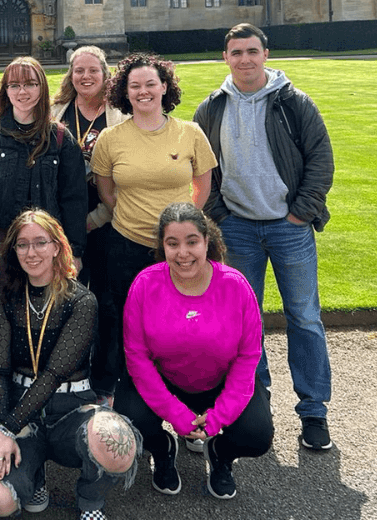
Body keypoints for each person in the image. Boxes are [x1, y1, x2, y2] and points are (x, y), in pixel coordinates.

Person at [192, 23, 336, 451]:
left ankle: (314, 411)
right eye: (237, 53)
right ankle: (256, 406)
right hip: (237, 228)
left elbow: (321, 161)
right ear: (226, 58)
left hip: (287, 228)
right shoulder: (211, 108)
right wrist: (220, 214)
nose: (245, 60)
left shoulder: (295, 103)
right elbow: (204, 172)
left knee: (304, 318)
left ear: (266, 54)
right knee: (244, 325)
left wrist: (299, 214)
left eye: (252, 51)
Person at [0, 210, 139, 520]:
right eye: (22, 244)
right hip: (21, 408)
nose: (31, 252)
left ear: (56, 246)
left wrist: (6, 429)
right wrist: (2, 427)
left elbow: (54, 373)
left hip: (71, 407)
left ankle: (91, 500)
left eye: (40, 242)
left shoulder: (81, 300)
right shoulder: (7, 297)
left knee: (117, 441)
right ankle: (33, 478)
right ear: (13, 250)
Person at [116, 202, 273, 500]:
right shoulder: (145, 285)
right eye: (172, 243)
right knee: (128, 420)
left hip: (220, 383)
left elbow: (248, 356)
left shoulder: (236, 287)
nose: (183, 253)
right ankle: (163, 451)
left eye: (192, 242)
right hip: (165, 382)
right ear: (163, 246)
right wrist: (175, 413)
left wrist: (217, 418)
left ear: (206, 241)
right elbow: (137, 357)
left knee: (257, 436)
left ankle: (220, 454)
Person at [0, 57, 87, 410]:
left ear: (42, 88)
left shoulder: (61, 138)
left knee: (46, 309)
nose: (23, 91)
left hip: (49, 243)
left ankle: (41, 383)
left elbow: (74, 200)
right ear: (5, 90)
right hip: (1, 240)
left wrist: (75, 250)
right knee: (1, 312)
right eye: (15, 84)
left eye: (31, 84)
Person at [91, 52, 216, 357]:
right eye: (134, 86)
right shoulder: (110, 138)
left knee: (181, 316)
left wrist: (183, 227)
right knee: (126, 319)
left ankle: (180, 382)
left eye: (150, 83)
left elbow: (203, 188)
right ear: (125, 92)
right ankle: (127, 389)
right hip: (127, 244)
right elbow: (106, 192)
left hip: (179, 248)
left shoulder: (190, 133)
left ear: (164, 87)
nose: (142, 91)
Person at [49, 45, 128, 402]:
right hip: (63, 223)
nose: (85, 77)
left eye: (92, 70)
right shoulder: (56, 112)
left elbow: (125, 179)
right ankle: (66, 374)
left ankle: (104, 383)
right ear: (70, 74)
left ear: (105, 73)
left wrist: (94, 220)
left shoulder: (121, 115)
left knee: (108, 303)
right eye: (78, 70)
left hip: (108, 222)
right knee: (66, 301)